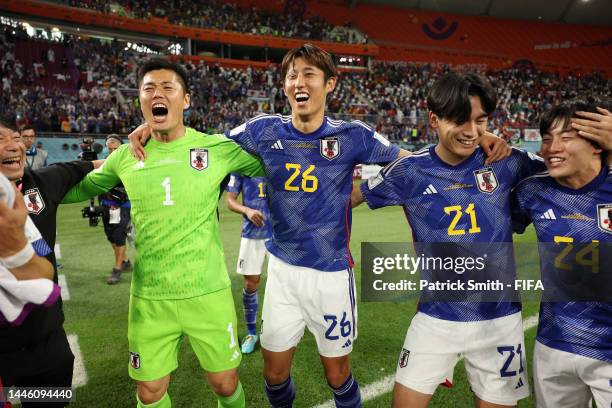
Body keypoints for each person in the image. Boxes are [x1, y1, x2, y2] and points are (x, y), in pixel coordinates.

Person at [129, 45, 509, 408]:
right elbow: (206, 149)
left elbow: (410, 162)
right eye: (292, 76)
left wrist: (477, 140)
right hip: (282, 273)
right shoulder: (264, 130)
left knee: (337, 374)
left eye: (309, 74)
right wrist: (156, 131)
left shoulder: (352, 135)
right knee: (274, 374)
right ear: (284, 86)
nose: (299, 83)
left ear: (330, 84)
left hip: (331, 277)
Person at [62, 58, 265, 408]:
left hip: (208, 293)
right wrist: (25, 186)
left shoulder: (217, 148)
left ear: (185, 100)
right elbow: (81, 188)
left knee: (225, 384)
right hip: (150, 298)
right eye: (149, 89)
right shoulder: (127, 155)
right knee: (149, 391)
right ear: (140, 102)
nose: (158, 94)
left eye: (168, 88)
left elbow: (270, 165)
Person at [352, 72, 554, 408]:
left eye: (480, 121)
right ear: (434, 119)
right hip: (436, 318)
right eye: (459, 120)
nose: (471, 131)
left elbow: (571, 171)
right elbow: (351, 198)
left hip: (499, 320)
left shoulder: (508, 162)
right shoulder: (409, 171)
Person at [512, 96, 612, 408]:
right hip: (554, 344)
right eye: (546, 138)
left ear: (597, 144)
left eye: (567, 137)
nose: (552, 148)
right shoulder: (534, 190)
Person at [0, 114, 99, 408]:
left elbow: (97, 165)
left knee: (52, 402)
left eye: (16, 138)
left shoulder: (42, 181)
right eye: (0, 140)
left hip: (47, 340)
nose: (12, 145)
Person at [225, 173, 272, 354]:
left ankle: (276, 331)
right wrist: (247, 210)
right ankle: (252, 333)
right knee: (250, 284)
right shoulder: (242, 165)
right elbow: (230, 201)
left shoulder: (276, 159)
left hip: (278, 234)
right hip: (252, 234)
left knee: (282, 285)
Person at [100, 134, 132, 285]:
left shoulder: (129, 162)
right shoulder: (102, 163)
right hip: (106, 204)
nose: (112, 151)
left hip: (122, 206)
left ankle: (117, 269)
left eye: (115, 148)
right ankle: (125, 260)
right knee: (110, 235)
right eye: (109, 149)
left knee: (119, 236)